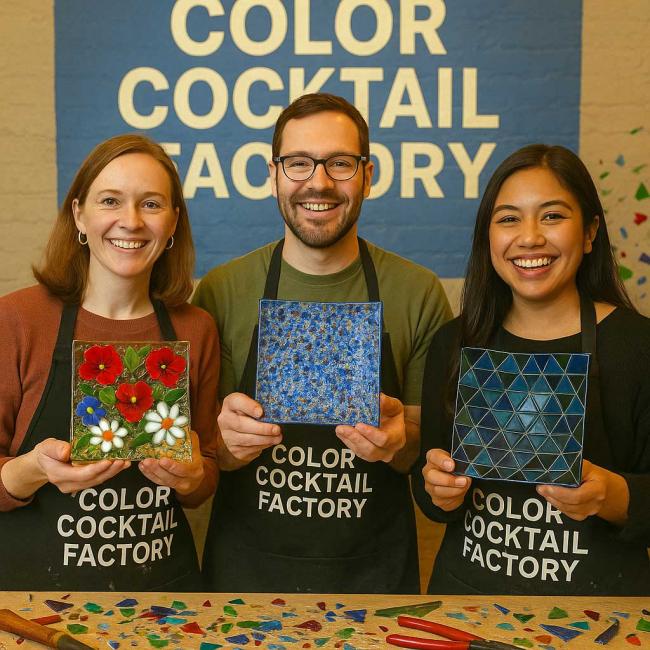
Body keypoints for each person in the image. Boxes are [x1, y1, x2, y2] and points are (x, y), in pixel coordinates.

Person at [193, 93, 452, 593]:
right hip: (247, 581)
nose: (319, 182)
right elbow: (200, 458)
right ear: (273, 174)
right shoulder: (222, 290)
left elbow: (427, 454)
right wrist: (225, 447)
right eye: (298, 163)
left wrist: (400, 443)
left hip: (373, 581)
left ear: (367, 176)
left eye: (339, 163)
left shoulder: (417, 292)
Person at [412, 144, 650, 595]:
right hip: (466, 604)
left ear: (590, 232)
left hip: (596, 614)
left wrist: (612, 495)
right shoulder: (453, 343)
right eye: (508, 219)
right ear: (487, 237)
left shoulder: (638, 348)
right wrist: (438, 488)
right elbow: (430, 499)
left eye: (552, 216)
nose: (530, 238)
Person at [0, 134, 220, 591]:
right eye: (110, 201)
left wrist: (193, 476)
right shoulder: (19, 319)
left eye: (151, 204)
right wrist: (32, 469)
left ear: (174, 221)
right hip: (37, 604)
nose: (131, 221)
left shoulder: (196, 328)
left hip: (165, 597)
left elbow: (206, 477)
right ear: (79, 214)